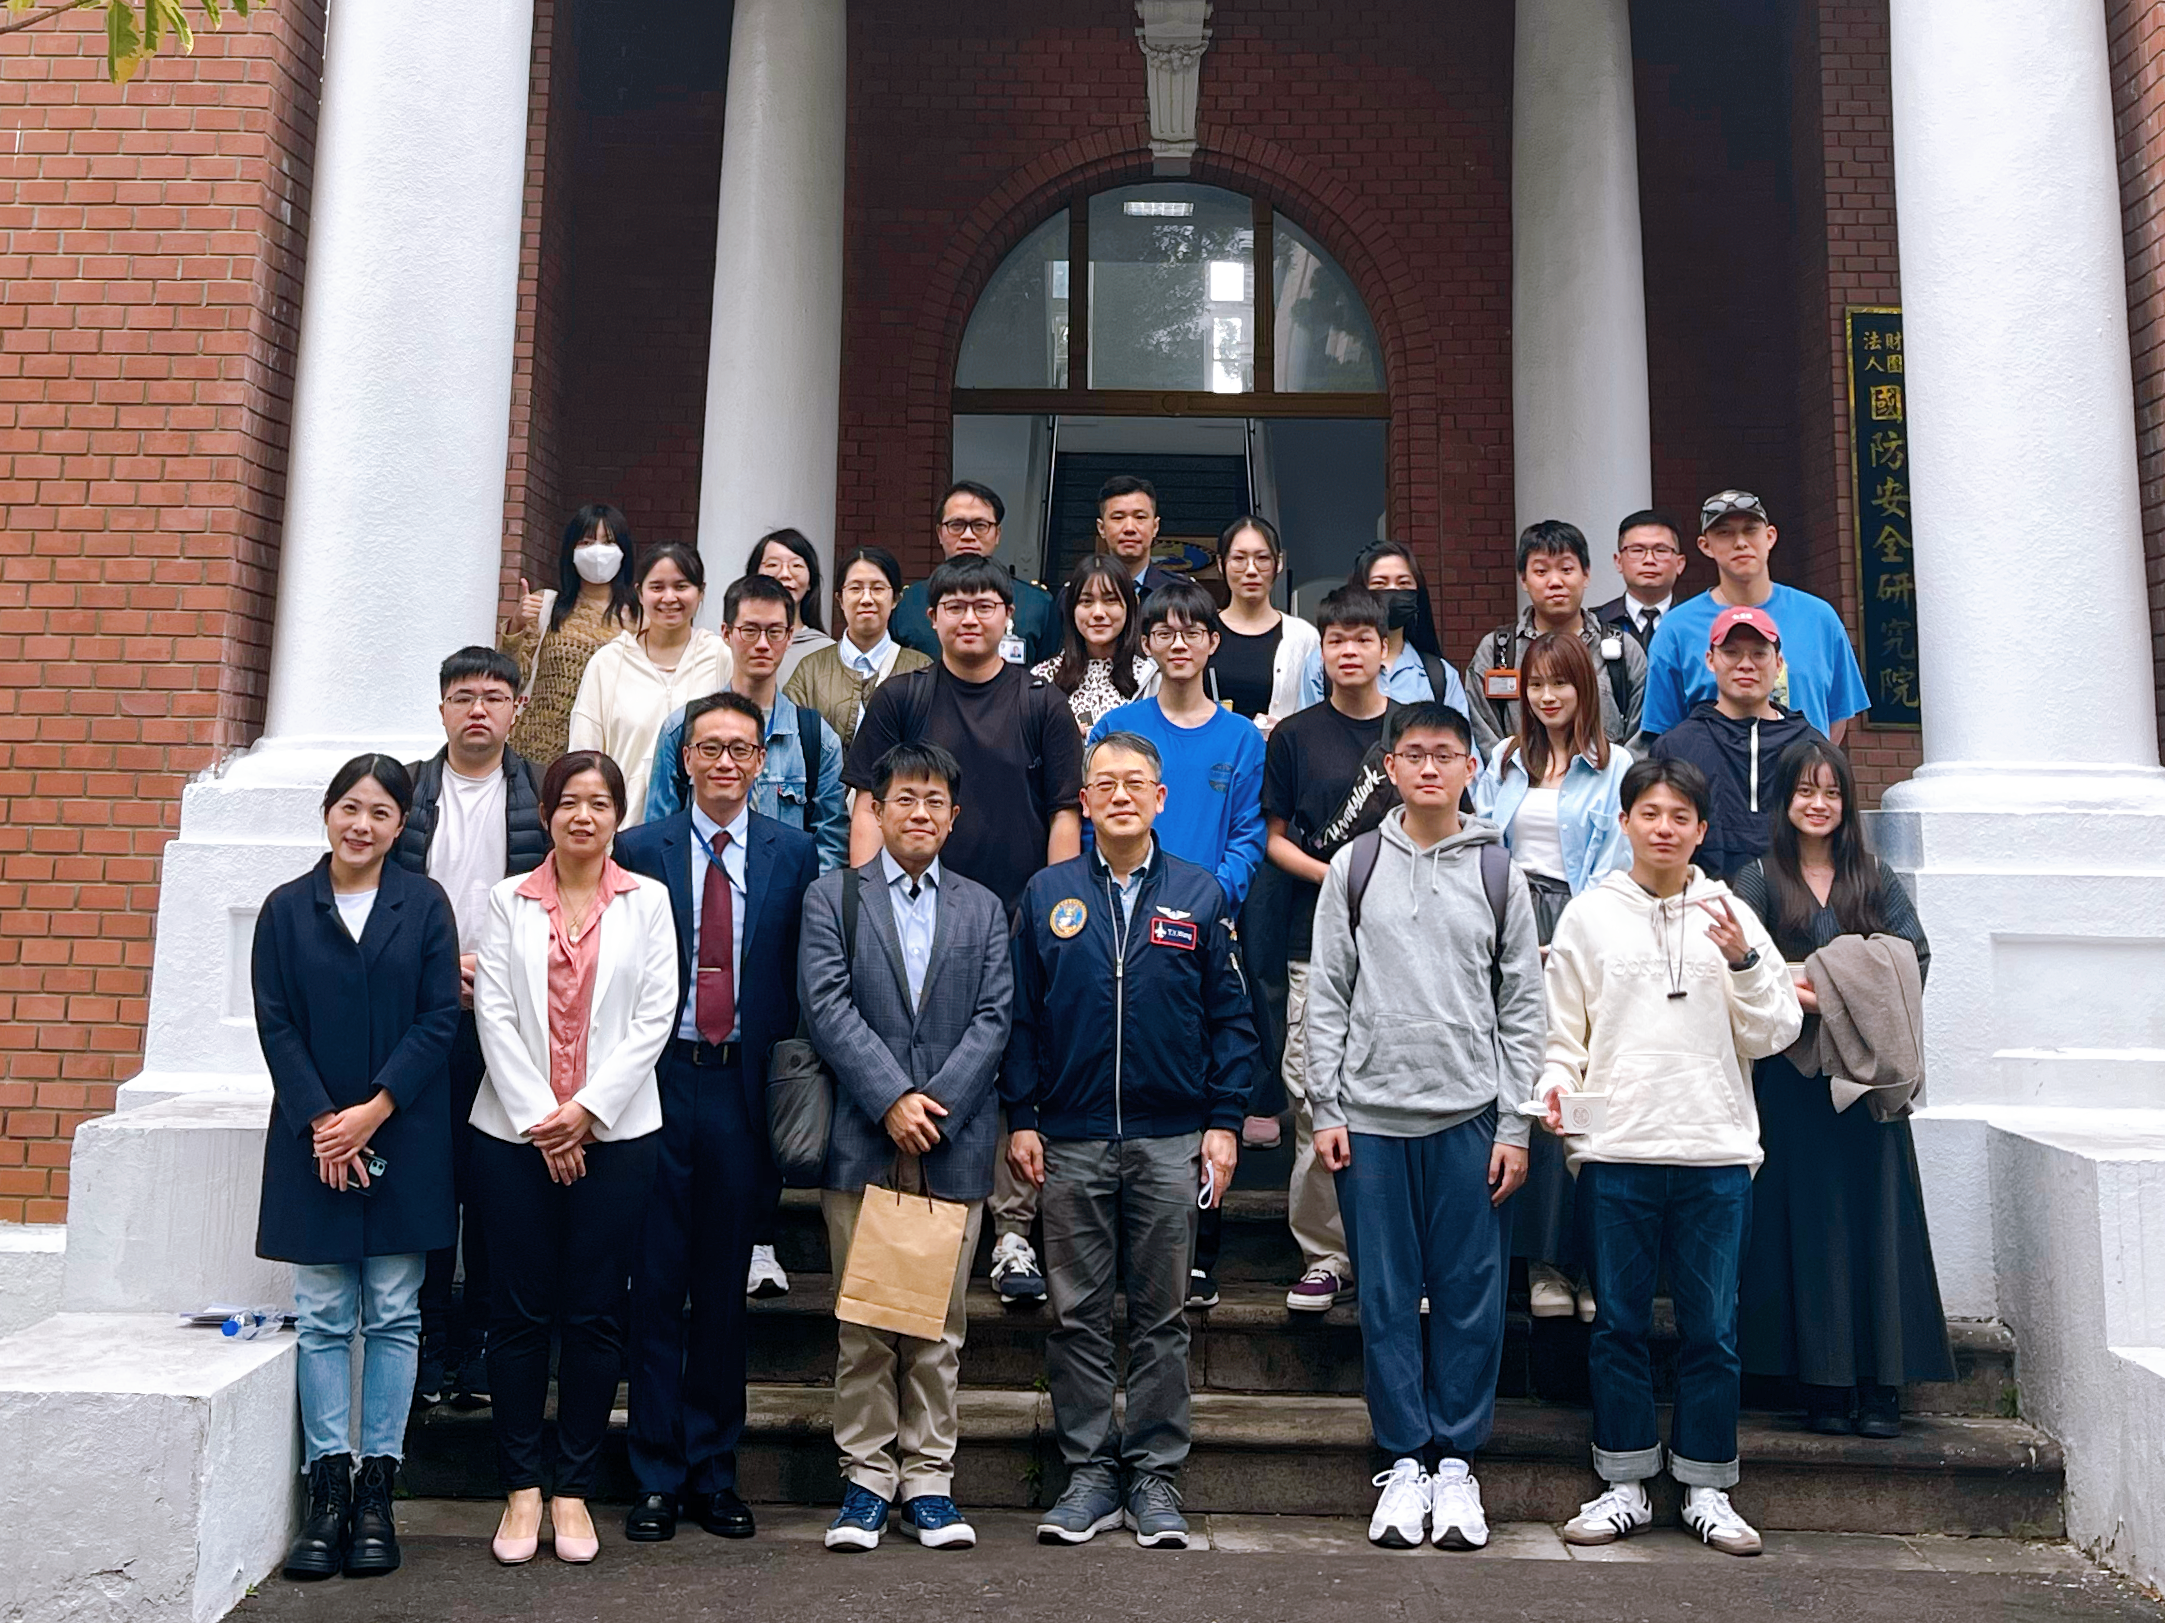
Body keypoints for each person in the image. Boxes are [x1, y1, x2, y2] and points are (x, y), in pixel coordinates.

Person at [1541, 757, 1801, 1559]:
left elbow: (1775, 1031)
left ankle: (1706, 1486)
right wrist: (1556, 1088)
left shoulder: (1730, 912)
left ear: (1700, 827)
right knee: (1616, 1324)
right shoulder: (1588, 914)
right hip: (1616, 1151)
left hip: (1713, 1151)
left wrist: (1746, 963)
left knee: (1710, 1329)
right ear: (1623, 822)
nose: (1663, 827)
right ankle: (1621, 1480)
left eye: (1679, 815)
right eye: (1648, 812)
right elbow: (1563, 1037)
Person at [1006, 732, 1256, 1551]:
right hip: (1071, 1136)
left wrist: (1222, 1122)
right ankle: (1087, 1472)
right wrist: (1022, 1117)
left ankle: (1153, 1475)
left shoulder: (1199, 893)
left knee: (1161, 1317)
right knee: (1076, 1316)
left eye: (1134, 783)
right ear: (1084, 800)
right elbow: (1022, 1022)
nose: (1119, 794)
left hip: (1167, 1137)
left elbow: (1231, 1020)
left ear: (1160, 798)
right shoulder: (1046, 894)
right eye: (1103, 783)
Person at [1304, 702, 1545, 1552]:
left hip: (1470, 1115)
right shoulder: (1355, 865)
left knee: (1471, 1299)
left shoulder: (1496, 870)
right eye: (1414, 754)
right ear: (1392, 767)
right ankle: (1404, 1459)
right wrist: (1324, 1106)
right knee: (1384, 1296)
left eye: (1446, 754)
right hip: (1370, 1118)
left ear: (1469, 767)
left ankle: (1456, 1463)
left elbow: (1522, 1005)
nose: (1431, 768)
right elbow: (1326, 992)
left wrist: (1514, 1123)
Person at [845, 553, 1085, 1307]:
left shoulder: (1041, 704)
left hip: (1016, 912)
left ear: (1009, 617)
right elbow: (865, 804)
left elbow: (1063, 812)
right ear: (933, 617)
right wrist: (865, 904)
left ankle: (1012, 1228)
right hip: (913, 909)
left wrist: (1050, 908)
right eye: (955, 606)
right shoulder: (903, 697)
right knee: (920, 1046)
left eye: (985, 604)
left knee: (1012, 1052)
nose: (970, 617)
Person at [615, 692, 821, 1544]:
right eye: (712, 749)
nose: (729, 763)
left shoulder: (794, 852)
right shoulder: (640, 850)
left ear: (760, 763)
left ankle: (713, 1470)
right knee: (657, 1287)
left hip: (742, 1088)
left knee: (723, 1293)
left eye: (743, 749)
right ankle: (655, 1475)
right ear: (685, 760)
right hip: (657, 1084)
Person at [800, 741, 1014, 1553]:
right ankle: (864, 1480)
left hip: (953, 1145)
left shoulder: (982, 907)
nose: (918, 812)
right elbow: (825, 1005)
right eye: (903, 799)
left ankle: (928, 1477)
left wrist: (937, 1106)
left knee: (937, 1323)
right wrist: (890, 1099)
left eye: (933, 800)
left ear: (953, 818)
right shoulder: (833, 899)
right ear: (876, 810)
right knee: (864, 1320)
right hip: (863, 1137)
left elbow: (994, 1016)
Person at [252, 754, 460, 1582]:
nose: (362, 824)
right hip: (313, 1136)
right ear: (327, 813)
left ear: (401, 824)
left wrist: (373, 1109)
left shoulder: (425, 904)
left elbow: (441, 1016)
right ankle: (327, 1491)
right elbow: (274, 1021)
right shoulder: (284, 910)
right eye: (349, 807)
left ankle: (378, 1489)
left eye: (380, 812)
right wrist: (322, 1123)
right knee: (326, 1309)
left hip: (402, 1130)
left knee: (395, 1309)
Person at [469, 750, 676, 1567]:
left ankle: (573, 1489)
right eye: (568, 802)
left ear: (617, 816)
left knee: (594, 1315)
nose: (582, 816)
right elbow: (493, 1012)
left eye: (598, 802)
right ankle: (521, 1486)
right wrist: (542, 1121)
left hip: (618, 1136)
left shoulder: (649, 901)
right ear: (547, 813)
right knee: (517, 1316)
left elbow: (655, 1012)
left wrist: (587, 1113)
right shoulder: (505, 899)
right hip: (512, 1140)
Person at [1731, 738, 1952, 1438]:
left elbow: (1910, 958)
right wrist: (1846, 978)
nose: (1817, 804)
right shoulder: (1758, 877)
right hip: (1792, 1086)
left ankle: (1879, 1385)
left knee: (1875, 1226)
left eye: (1829, 792)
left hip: (1868, 1082)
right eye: (1804, 791)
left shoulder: (1874, 877)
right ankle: (1819, 1384)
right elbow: (1743, 962)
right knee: (1806, 1225)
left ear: (1844, 800)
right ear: (1784, 800)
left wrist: (1824, 985)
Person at [1088, 578, 1268, 1307]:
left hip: (1204, 926)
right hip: (1117, 919)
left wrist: (1209, 898)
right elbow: (1101, 806)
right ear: (1147, 642)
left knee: (1202, 1083)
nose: (1178, 642)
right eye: (1162, 630)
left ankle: (1200, 1252)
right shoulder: (1120, 725)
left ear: (1212, 641)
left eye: (1192, 631)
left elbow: (1249, 833)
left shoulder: (1239, 737)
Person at [391, 648, 547, 1412]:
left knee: (495, 1184)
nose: (477, 709)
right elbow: (385, 898)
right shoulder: (409, 793)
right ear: (442, 707)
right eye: (463, 696)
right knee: (429, 1182)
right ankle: (424, 1344)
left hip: (509, 1018)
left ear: (516, 707)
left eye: (492, 696)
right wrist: (436, 968)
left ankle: (482, 1343)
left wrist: (496, 970)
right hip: (425, 1016)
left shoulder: (541, 794)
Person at [1472, 631, 1634, 1324]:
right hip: (1509, 927)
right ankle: (1539, 1260)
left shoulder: (1616, 764)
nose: (1546, 696)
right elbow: (1479, 839)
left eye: (1560, 682)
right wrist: (1513, 932)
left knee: (1587, 1095)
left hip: (1584, 930)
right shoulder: (1504, 760)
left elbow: (1617, 857)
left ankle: (1591, 1258)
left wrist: (1563, 936)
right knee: (1528, 1090)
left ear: (1584, 688)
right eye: (1535, 683)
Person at [1264, 586, 1405, 1315]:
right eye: (1335, 640)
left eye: (1361, 638)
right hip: (1313, 938)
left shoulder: (1415, 729)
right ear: (1320, 652)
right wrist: (1342, 880)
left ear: (1386, 648)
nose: (1348, 650)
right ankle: (1323, 1252)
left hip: (1409, 948)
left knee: (1396, 1095)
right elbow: (1274, 838)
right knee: (1315, 1092)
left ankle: (1392, 1250)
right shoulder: (1294, 736)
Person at [645, 573, 850, 872]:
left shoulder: (816, 739)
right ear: (726, 633)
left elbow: (831, 846)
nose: (763, 644)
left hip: (784, 908)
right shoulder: (682, 729)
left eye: (775, 631)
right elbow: (658, 836)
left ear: (790, 636)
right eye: (750, 630)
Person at [1640, 491, 1869, 744]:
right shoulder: (1676, 629)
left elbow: (1836, 718)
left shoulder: (1819, 617)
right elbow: (1665, 733)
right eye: (1724, 533)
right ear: (1705, 546)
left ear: (1770, 537)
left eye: (1750, 530)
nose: (1740, 542)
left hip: (1800, 779)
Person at [1650, 605, 1825, 881]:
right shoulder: (1676, 747)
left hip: (1795, 908)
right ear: (1710, 660)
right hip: (1702, 908)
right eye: (1731, 652)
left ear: (1779, 663)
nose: (1746, 664)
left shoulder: (1810, 745)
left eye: (1759, 653)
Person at [568, 541, 731, 825]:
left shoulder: (720, 657)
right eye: (657, 587)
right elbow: (583, 757)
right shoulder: (607, 663)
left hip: (702, 830)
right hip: (622, 833)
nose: (669, 597)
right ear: (639, 593)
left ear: (701, 591)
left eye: (681, 586)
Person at [1463, 519, 1646, 757]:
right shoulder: (1497, 651)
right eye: (1541, 571)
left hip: (1606, 788)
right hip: (1519, 787)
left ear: (1586, 575)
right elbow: (1483, 733)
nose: (1555, 582)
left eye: (1566, 569)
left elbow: (1641, 736)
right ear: (1523, 580)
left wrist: (1614, 780)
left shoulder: (1623, 649)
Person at [502, 503, 640, 765]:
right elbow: (510, 679)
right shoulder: (547, 607)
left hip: (606, 757)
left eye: (608, 542)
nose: (597, 552)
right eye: (586, 542)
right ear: (571, 552)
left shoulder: (640, 618)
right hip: (537, 756)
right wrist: (518, 624)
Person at [890, 480, 1061, 666]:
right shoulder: (907, 603)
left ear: (997, 534)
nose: (968, 535)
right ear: (940, 533)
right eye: (957, 525)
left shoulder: (1037, 603)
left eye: (980, 525)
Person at [1294, 540, 1469, 712]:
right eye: (1380, 583)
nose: (1393, 591)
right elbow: (1307, 732)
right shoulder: (1322, 665)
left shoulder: (1440, 676)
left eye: (1403, 583)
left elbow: (1461, 739)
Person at [785, 545, 931, 750]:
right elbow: (791, 743)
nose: (866, 599)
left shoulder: (920, 669)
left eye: (878, 588)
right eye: (855, 589)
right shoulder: (810, 670)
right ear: (840, 599)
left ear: (896, 599)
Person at [1207, 514, 1321, 730]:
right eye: (1239, 559)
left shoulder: (1305, 637)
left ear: (1279, 563)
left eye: (1262, 558)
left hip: (1279, 760)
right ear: (1221, 564)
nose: (1251, 570)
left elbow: (1317, 709)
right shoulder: (1201, 631)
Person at [1033, 552, 1158, 733]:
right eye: (1086, 601)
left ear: (1130, 606)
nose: (1098, 612)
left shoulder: (1151, 678)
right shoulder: (1042, 679)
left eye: (1110, 600)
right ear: (1071, 609)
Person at [748, 527, 838, 683]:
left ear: (811, 581)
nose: (785, 574)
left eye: (796, 566)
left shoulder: (827, 652)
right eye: (772, 565)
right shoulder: (733, 645)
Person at [1594, 510, 1690, 653]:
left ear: (1680, 563)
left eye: (1661, 550)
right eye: (1637, 550)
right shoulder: (1597, 623)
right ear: (1618, 561)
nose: (1649, 560)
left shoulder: (1696, 620)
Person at [1095, 474, 1185, 597]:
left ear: (1155, 527)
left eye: (1140, 517)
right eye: (1118, 517)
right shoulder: (1078, 595)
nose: (1129, 528)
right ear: (1101, 528)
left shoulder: (1181, 593)